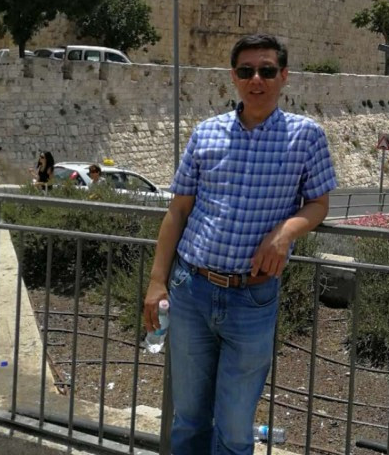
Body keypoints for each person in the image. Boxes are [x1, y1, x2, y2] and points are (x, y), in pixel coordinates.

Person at [143, 33, 337, 455]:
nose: (256, 79)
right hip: (191, 289)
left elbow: (319, 204)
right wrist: (157, 282)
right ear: (233, 77)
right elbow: (177, 211)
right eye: (246, 71)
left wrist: (285, 233)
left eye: (267, 70)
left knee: (233, 429)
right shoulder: (206, 133)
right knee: (188, 419)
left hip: (252, 298)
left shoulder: (306, 137)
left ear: (283, 76)